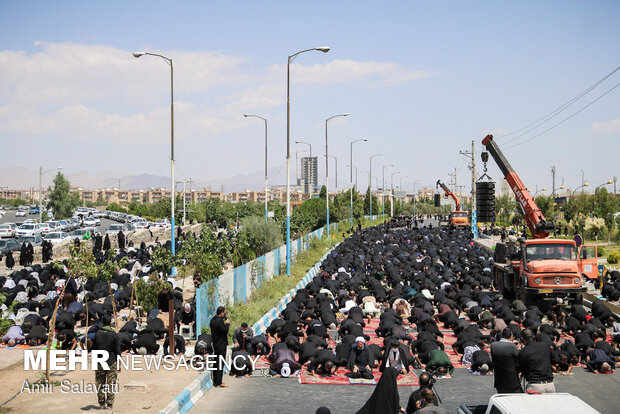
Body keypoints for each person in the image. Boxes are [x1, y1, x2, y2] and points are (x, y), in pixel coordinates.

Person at [91, 315, 121, 410]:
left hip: (100, 362)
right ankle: (109, 404)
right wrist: (119, 364)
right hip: (111, 362)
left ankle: (101, 403)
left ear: (102, 323)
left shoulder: (97, 335)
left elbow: (94, 350)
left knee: (100, 383)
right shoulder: (114, 335)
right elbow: (118, 351)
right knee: (111, 384)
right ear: (110, 322)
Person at [518, 328, 555, 393]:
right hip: (550, 385)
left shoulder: (523, 351)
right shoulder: (545, 345)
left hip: (535, 386)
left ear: (522, 339)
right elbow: (555, 359)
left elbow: (521, 369)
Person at [490, 328, 522, 393]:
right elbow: (520, 358)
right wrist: (518, 349)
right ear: (511, 337)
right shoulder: (512, 347)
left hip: (499, 381)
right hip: (512, 381)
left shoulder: (493, 345)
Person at [210, 306, 230, 388]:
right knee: (220, 363)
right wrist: (227, 323)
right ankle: (219, 382)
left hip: (215, 343)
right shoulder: (219, 321)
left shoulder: (212, 320)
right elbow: (225, 330)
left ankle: (215, 380)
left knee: (216, 362)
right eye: (224, 313)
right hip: (221, 344)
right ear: (222, 313)